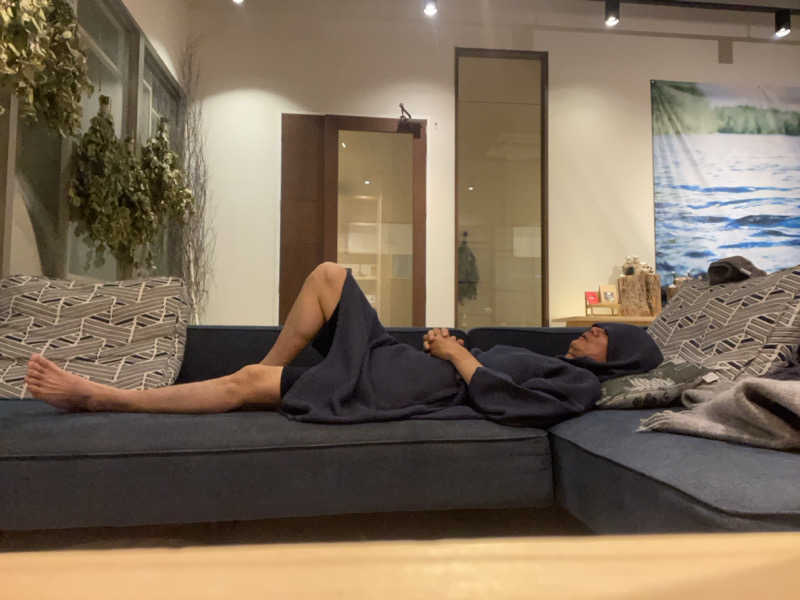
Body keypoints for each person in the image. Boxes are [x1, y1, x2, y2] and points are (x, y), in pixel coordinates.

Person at [25, 262, 662, 427]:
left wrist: (455, 356)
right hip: (408, 361)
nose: (591, 330)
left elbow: (508, 403)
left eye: (605, 335)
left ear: (623, 358)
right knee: (330, 276)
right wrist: (448, 342)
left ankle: (104, 398)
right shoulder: (556, 360)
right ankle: (263, 375)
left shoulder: (581, 386)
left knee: (247, 386)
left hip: (401, 384)